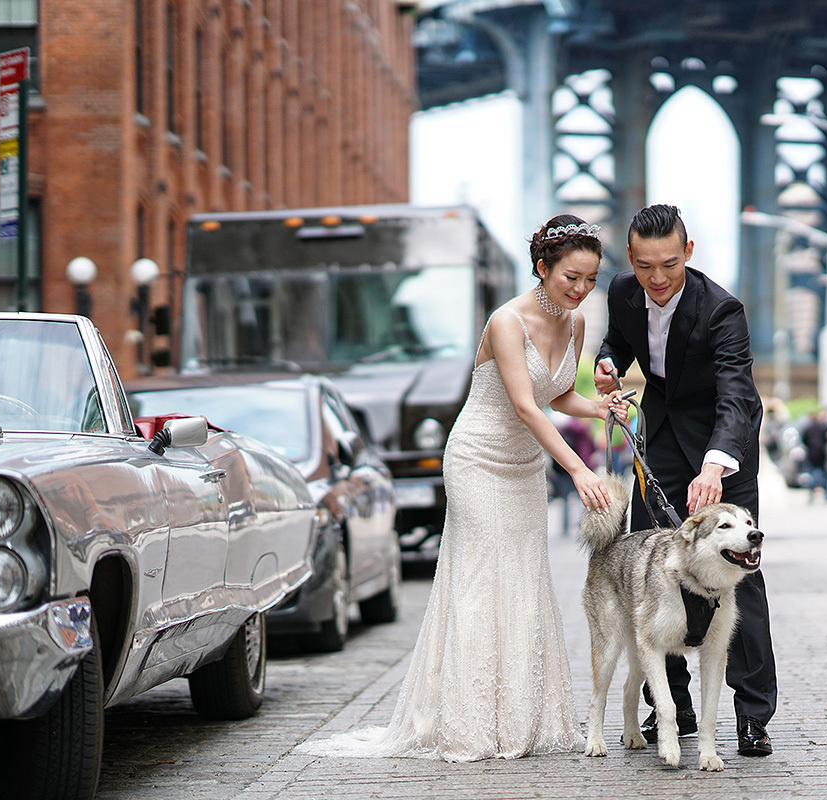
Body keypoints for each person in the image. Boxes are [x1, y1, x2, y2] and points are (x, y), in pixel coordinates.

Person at [300, 214, 629, 762]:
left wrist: (600, 409)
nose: (581, 289)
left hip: (524, 467)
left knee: (523, 578)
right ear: (542, 268)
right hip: (478, 458)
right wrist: (578, 469)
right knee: (480, 579)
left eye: (591, 279)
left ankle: (519, 717)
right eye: (571, 277)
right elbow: (524, 404)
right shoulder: (507, 321)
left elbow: (559, 394)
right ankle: (469, 723)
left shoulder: (575, 325)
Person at [594, 204, 776, 758]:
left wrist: (716, 467)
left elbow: (736, 394)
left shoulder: (723, 310)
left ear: (688, 253)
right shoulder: (624, 292)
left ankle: (751, 714)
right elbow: (621, 342)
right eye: (646, 266)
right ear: (630, 259)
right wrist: (606, 360)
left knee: (739, 571)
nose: (657, 278)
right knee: (656, 570)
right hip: (664, 440)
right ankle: (670, 707)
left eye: (669, 264)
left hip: (725, 441)